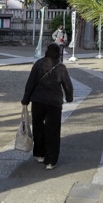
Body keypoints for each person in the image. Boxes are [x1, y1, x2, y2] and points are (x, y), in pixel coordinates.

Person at [22, 42, 73, 170]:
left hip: (38, 101)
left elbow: (30, 83)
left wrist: (25, 100)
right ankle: (51, 160)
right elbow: (67, 84)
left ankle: (39, 153)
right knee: (53, 131)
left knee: (38, 128)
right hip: (54, 103)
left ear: (46, 51)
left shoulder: (38, 64)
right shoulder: (61, 67)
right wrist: (69, 97)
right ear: (58, 54)